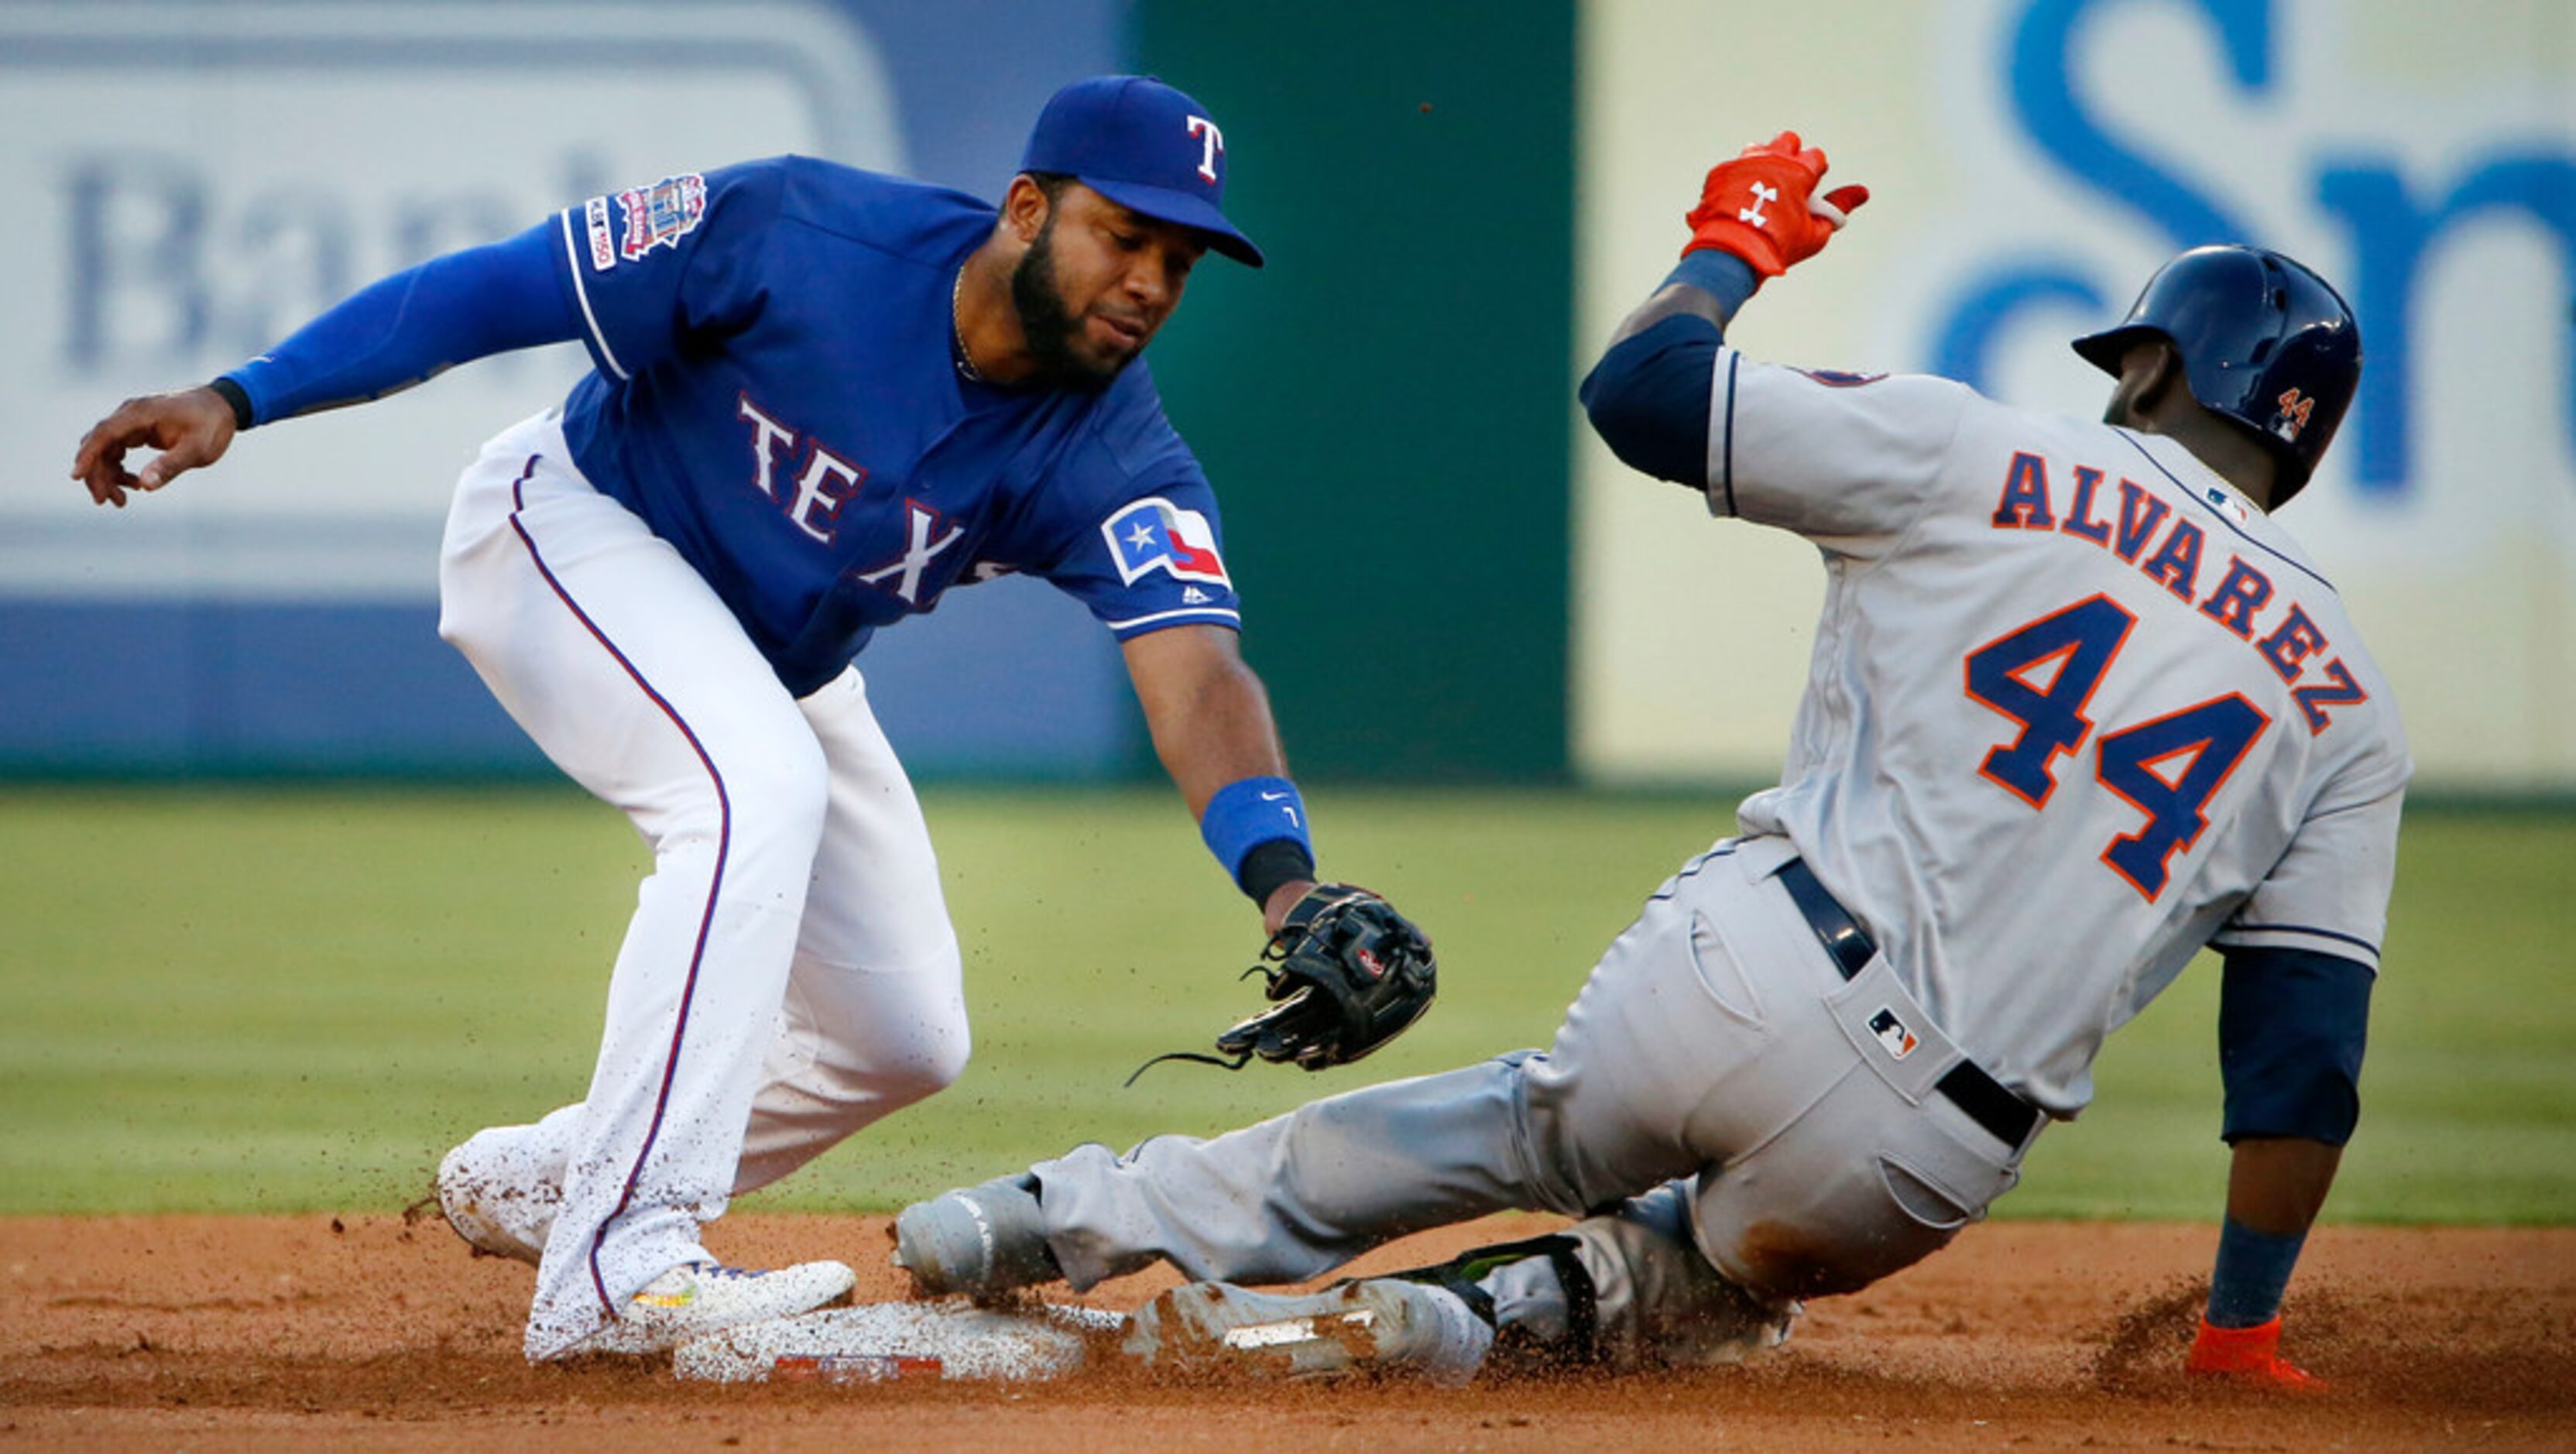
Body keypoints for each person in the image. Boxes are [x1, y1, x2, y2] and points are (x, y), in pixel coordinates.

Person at [893, 131, 2403, 1392]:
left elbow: (1643, 395)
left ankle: (1035, 1217)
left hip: (1741, 969)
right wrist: (2238, 1326)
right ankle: (1461, 1323)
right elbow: (2297, 1060)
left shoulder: (1987, 451)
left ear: (2145, 368)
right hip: (1928, 1148)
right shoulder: (2342, 695)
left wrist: (1728, 250)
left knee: (1520, 1124)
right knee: (1712, 1281)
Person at [70, 75, 1432, 1362]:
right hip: (569, 525)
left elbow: (1198, 674)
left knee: (905, 1034)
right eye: (1124, 235)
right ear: (1029, 208)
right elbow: (496, 288)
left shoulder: (1116, 449)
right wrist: (242, 395)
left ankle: (556, 1182)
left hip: (765, 658)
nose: (1148, 283)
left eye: (1179, 264)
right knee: (749, 789)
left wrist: (1285, 887)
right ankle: (620, 1260)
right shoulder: (800, 228)